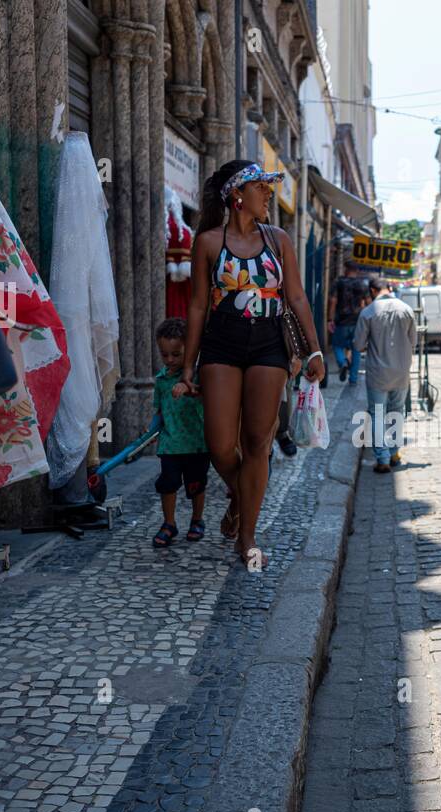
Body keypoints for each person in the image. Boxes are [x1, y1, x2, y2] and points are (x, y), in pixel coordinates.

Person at [176, 159, 324, 568]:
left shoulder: (278, 240)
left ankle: (247, 535)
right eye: (262, 188)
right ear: (238, 196)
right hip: (221, 344)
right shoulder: (207, 242)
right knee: (220, 444)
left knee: (257, 441)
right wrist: (187, 367)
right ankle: (242, 495)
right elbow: (199, 305)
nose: (269, 195)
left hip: (269, 344)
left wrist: (313, 351)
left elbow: (295, 298)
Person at [151, 319, 210, 545]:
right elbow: (159, 410)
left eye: (176, 354)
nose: (170, 360)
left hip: (197, 443)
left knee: (196, 483)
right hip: (170, 444)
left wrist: (188, 388)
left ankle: (197, 520)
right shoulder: (161, 380)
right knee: (168, 483)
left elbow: (207, 397)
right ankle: (169, 523)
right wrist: (150, 429)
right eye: (164, 355)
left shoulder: (197, 376)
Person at [354, 277, 417, 473]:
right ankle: (394, 453)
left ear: (373, 290)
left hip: (377, 373)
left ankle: (382, 458)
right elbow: (413, 342)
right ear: (388, 288)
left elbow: (358, 345)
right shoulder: (406, 309)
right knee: (397, 412)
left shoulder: (368, 312)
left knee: (377, 414)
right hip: (401, 371)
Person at [327, 262, 367, 384]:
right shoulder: (362, 284)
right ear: (357, 271)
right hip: (357, 322)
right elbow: (369, 303)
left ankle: (343, 362)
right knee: (356, 350)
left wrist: (330, 319)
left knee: (337, 345)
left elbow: (333, 300)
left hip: (342, 321)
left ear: (346, 269)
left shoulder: (339, 282)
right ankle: (353, 379)